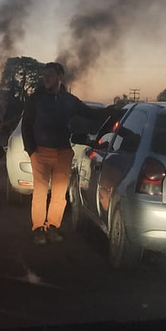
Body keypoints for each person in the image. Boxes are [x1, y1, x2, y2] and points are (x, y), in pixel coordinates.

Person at [21, 62, 112, 245]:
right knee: (40, 193)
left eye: (50, 75)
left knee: (59, 193)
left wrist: (112, 112)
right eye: (44, 75)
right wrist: (31, 151)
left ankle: (53, 227)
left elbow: (90, 113)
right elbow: (26, 126)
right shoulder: (36, 99)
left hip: (63, 152)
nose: (46, 79)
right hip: (41, 152)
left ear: (59, 77)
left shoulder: (69, 101)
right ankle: (38, 230)